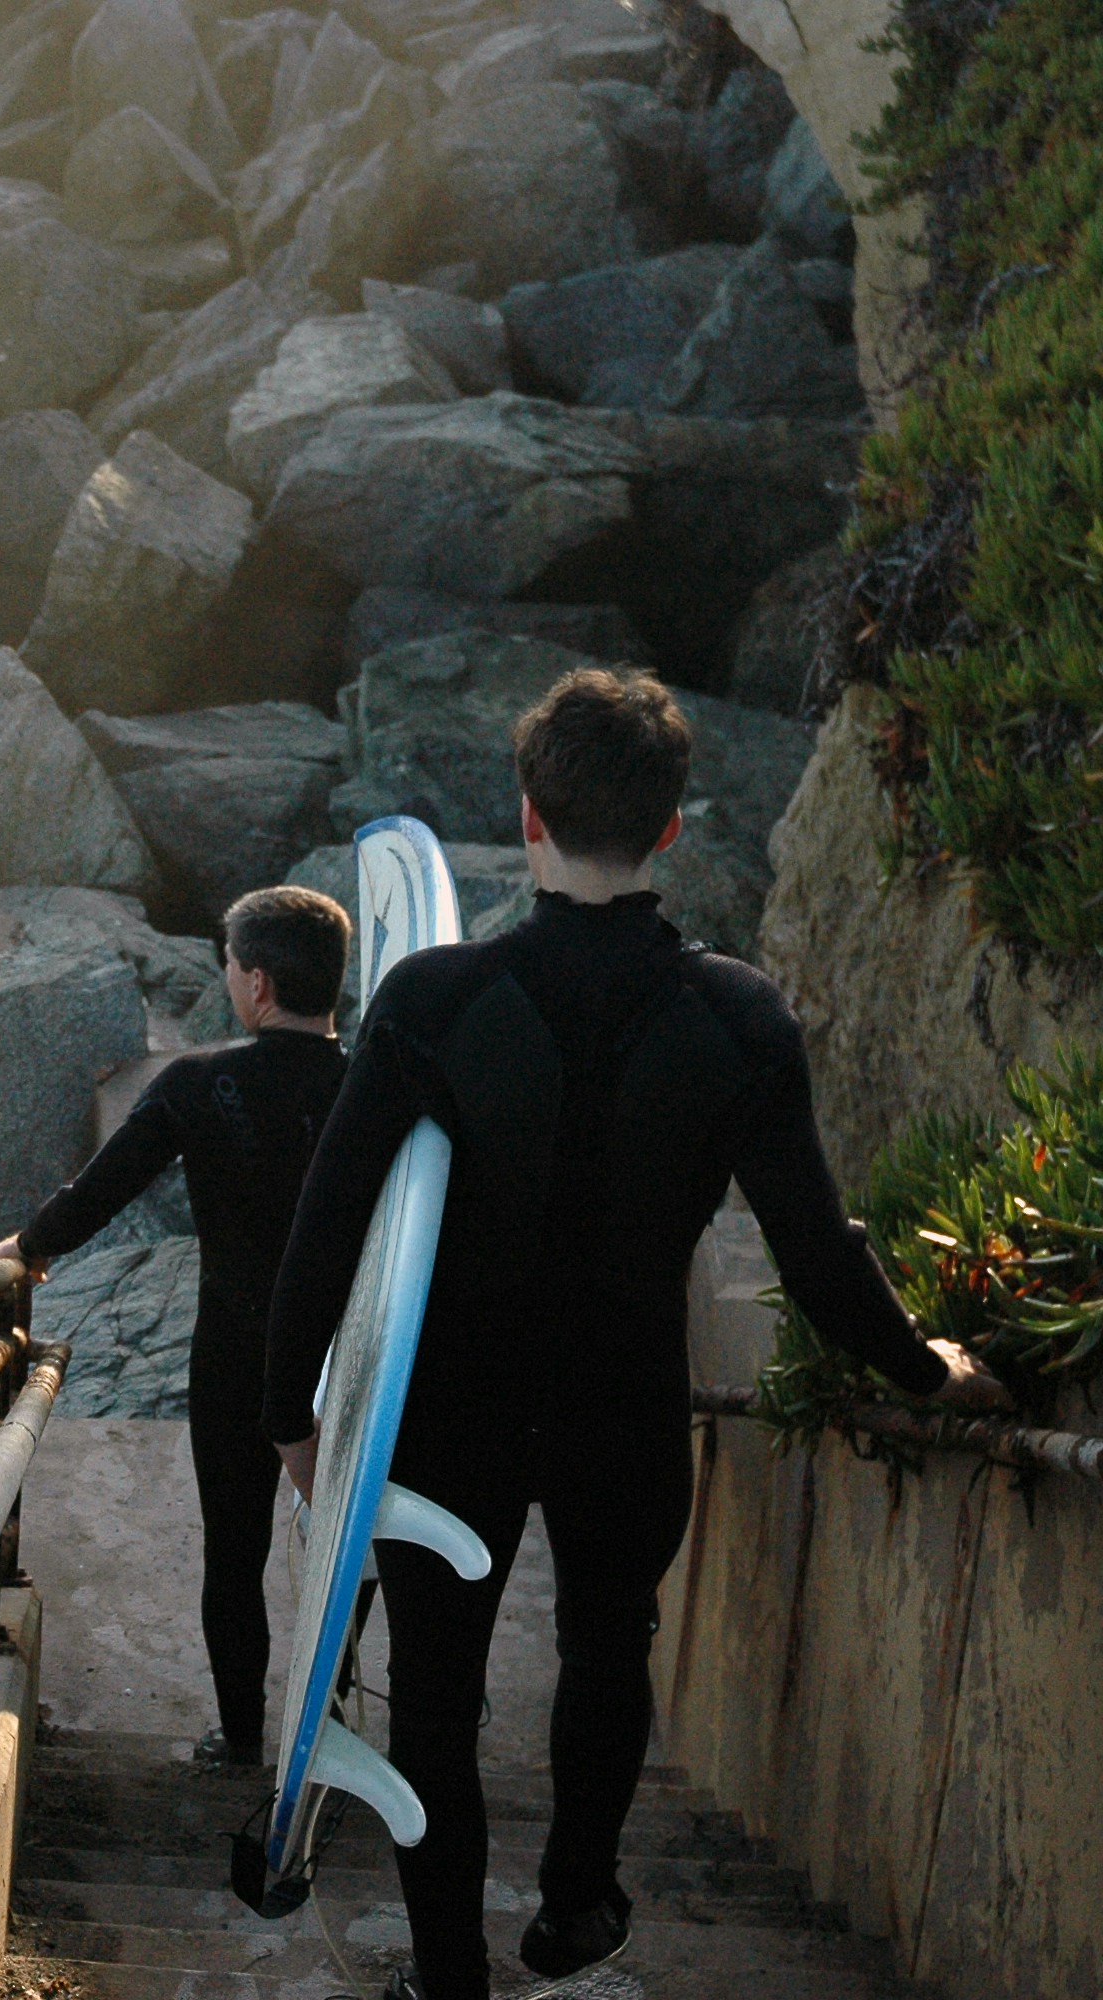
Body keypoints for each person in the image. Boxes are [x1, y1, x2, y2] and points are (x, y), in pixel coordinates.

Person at [258, 668, 1011, 2000]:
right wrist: (928, 1368)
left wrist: (294, 1415)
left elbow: (326, 1232)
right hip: (626, 1404)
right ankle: (575, 1906)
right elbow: (820, 1255)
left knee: (439, 1692)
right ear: (671, 829)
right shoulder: (740, 1018)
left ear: (528, 814)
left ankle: (447, 1977)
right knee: (612, 1647)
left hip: (456, 1409)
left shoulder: (429, 1002)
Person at [0, 885, 353, 1771]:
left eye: (231, 967)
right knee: (352, 1546)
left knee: (236, 1552)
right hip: (352, 1357)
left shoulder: (202, 1083)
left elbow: (101, 1192)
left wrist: (29, 1248)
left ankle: (238, 1739)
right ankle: (332, 1727)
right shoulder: (368, 1088)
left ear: (257, 983)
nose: (229, 980)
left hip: (236, 1350)